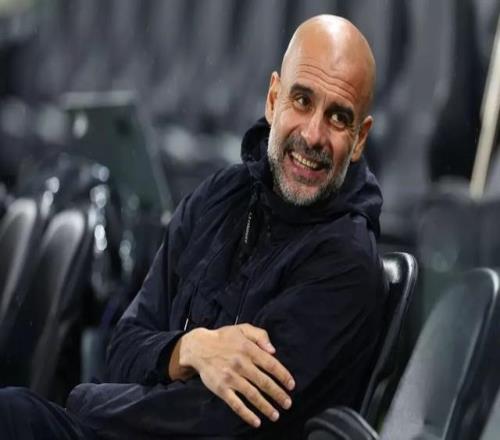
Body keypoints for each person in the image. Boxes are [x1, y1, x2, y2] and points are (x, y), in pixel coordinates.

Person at [0, 14, 386, 440]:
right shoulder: (217, 196)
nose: (313, 135)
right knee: (12, 410)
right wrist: (188, 348)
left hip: (122, 427)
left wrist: (89, 403)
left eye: (337, 118)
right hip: (118, 427)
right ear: (273, 98)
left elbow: (222, 424)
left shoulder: (347, 263)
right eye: (302, 100)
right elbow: (123, 349)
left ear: (360, 139)